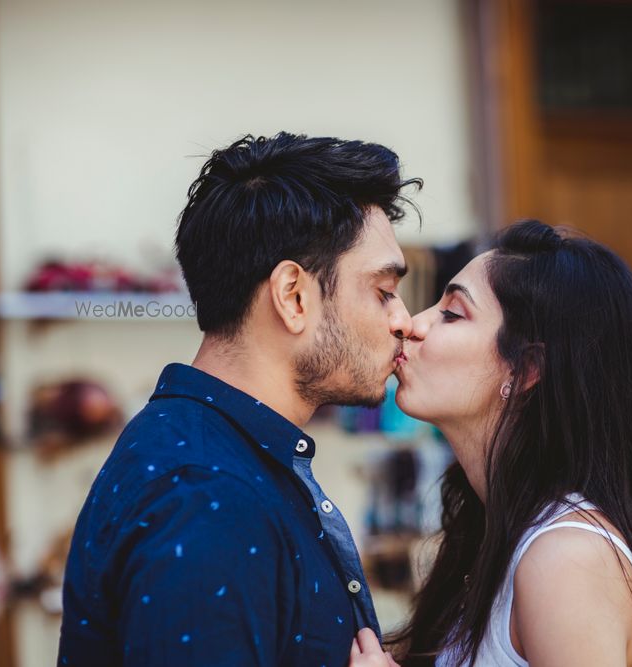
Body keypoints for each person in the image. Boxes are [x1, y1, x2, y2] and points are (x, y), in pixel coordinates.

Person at [58, 132, 418, 667]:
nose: (403, 320)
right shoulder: (208, 496)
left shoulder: (220, 460)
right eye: (384, 291)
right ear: (293, 296)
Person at [391, 220, 632, 667]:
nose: (413, 324)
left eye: (452, 313)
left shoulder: (567, 557)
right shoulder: (495, 532)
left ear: (526, 368)